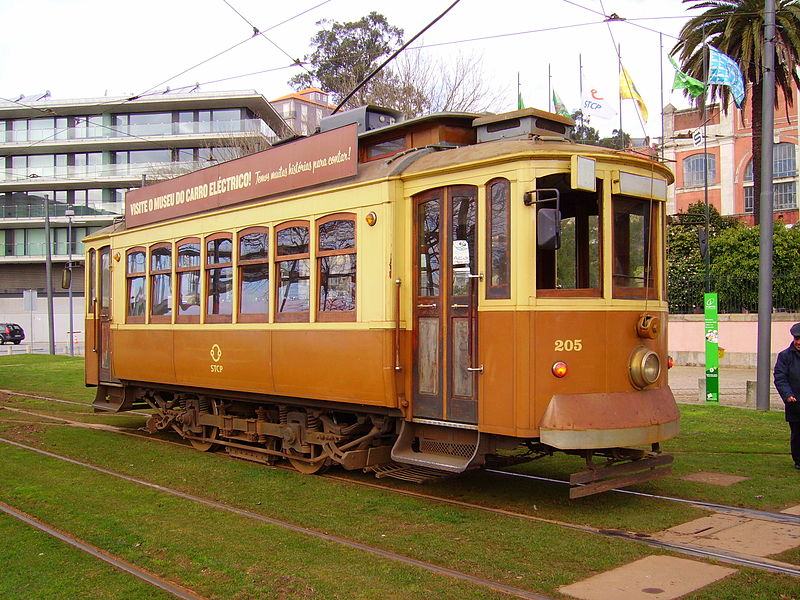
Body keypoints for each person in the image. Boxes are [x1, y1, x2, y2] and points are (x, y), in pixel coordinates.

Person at [773, 322, 800, 470]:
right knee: (797, 433)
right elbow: (780, 377)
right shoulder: (785, 356)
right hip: (795, 403)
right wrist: (787, 394)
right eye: (797, 339)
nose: (798, 342)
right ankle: (799, 461)